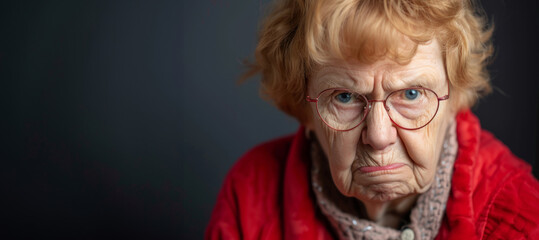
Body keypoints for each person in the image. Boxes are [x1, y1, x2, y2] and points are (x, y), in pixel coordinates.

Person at [206, 0, 539, 239]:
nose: (378, 136)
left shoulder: (517, 217)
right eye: (345, 97)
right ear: (304, 109)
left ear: (455, 98)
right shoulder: (251, 194)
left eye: (411, 94)